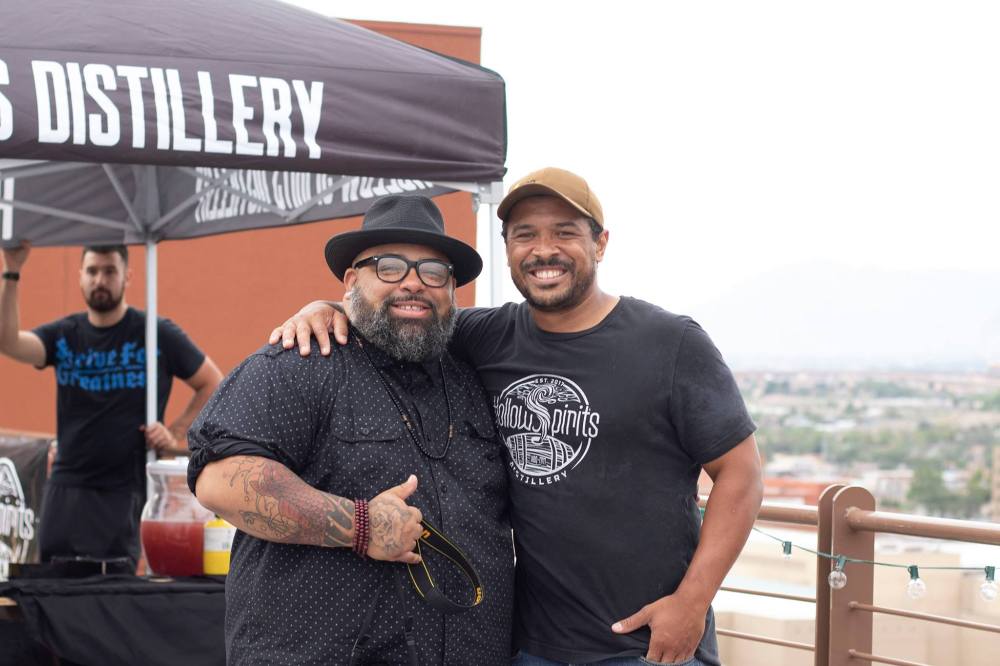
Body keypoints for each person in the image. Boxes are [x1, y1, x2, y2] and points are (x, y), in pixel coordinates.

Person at [270, 168, 765, 666]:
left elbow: (741, 474)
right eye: (525, 235)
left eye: (565, 233)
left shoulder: (671, 343)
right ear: (507, 249)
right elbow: (403, 312)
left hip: (647, 644)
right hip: (531, 647)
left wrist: (692, 602)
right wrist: (327, 307)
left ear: (600, 244)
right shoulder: (485, 337)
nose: (543, 250)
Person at [187, 194, 514, 665]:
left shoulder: (477, 377)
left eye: (433, 272)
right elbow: (220, 480)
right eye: (389, 267)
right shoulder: (300, 362)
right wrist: (359, 526)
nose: (413, 283)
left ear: (452, 289)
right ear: (351, 281)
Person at [0, 243, 222, 569]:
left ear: (127, 276)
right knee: (53, 588)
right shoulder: (65, 335)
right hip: (66, 490)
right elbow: (8, 342)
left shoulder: (155, 334)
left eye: (109, 271)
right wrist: (11, 271)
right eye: (92, 271)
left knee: (114, 591)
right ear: (80, 276)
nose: (99, 280)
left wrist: (174, 433)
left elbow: (213, 383)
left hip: (123, 493)